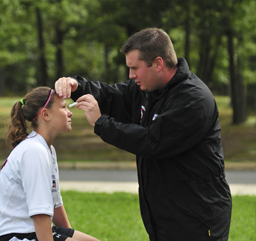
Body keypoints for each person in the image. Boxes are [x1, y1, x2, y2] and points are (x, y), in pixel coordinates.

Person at [54, 28, 232, 241]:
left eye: (134, 68)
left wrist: (101, 123)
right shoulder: (147, 89)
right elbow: (112, 96)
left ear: (158, 63)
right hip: (166, 217)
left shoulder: (193, 100)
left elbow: (152, 141)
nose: (131, 75)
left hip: (197, 218)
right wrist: (78, 86)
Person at [0, 87, 99, 241]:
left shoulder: (47, 149)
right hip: (16, 236)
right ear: (45, 114)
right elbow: (40, 214)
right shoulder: (34, 151)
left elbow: (55, 204)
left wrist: (67, 235)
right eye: (63, 107)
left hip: (32, 231)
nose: (70, 112)